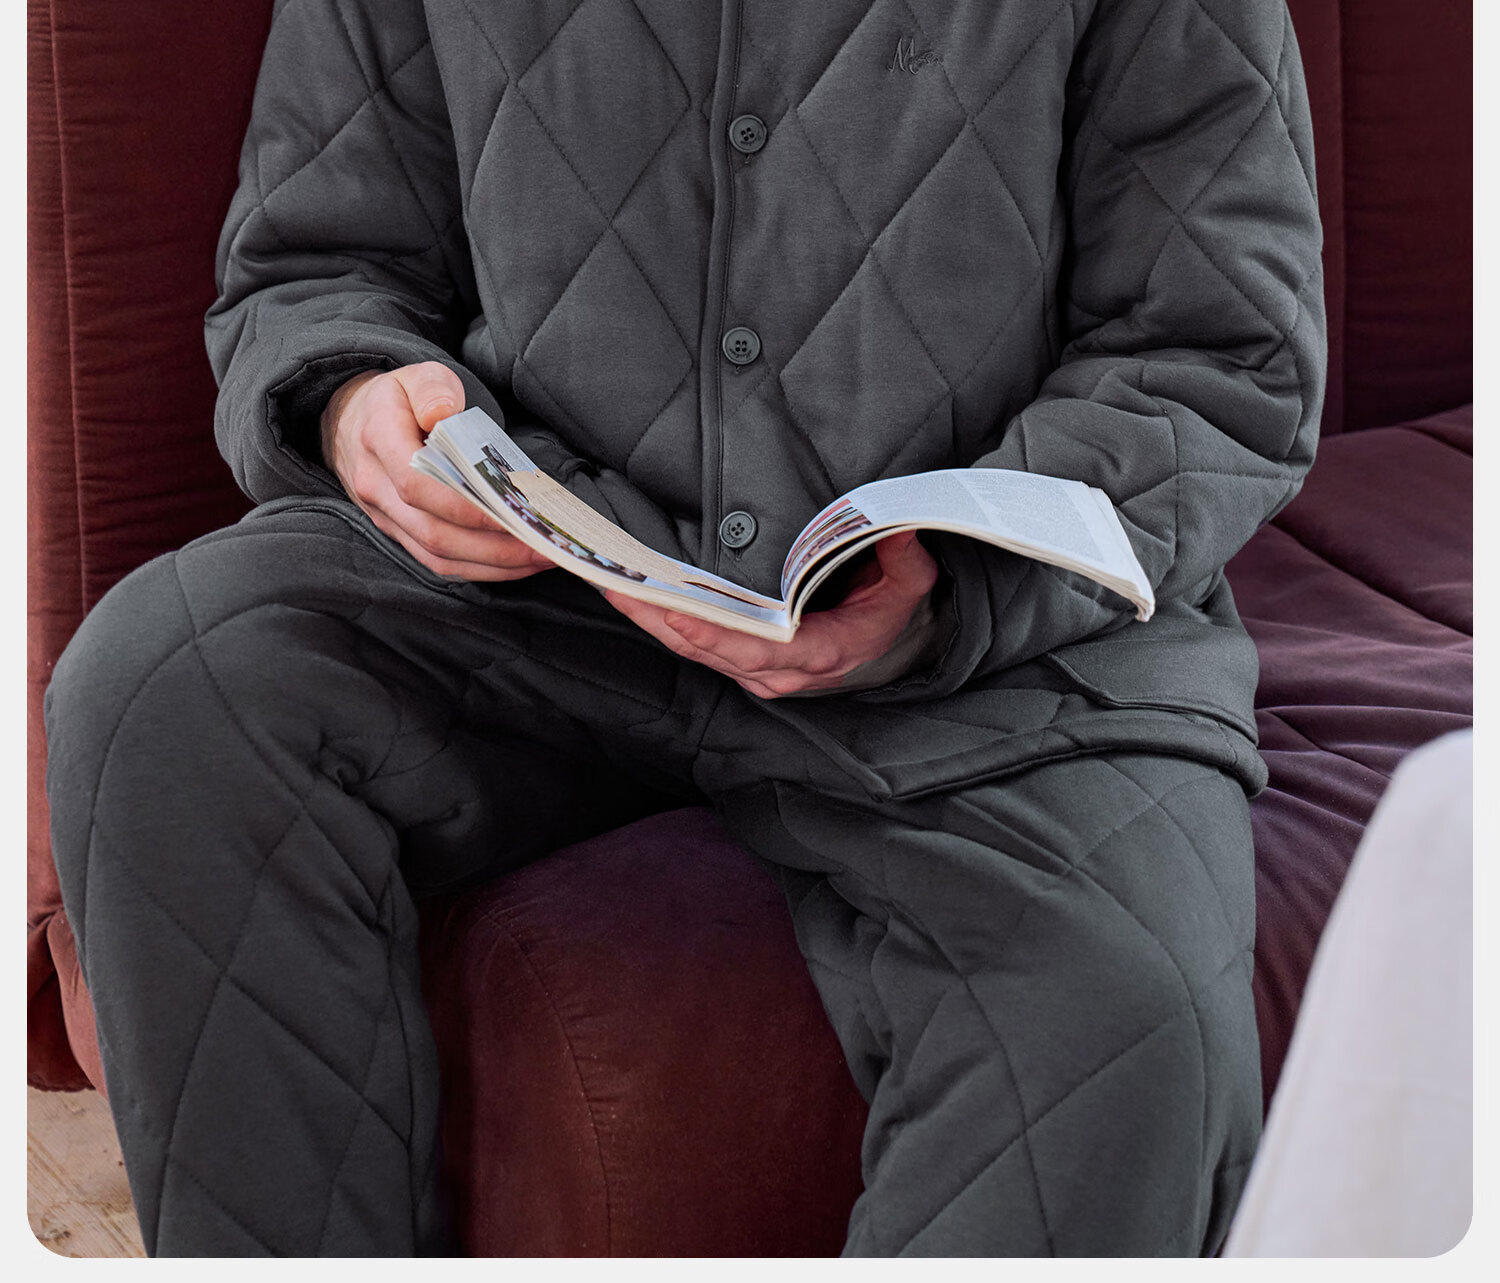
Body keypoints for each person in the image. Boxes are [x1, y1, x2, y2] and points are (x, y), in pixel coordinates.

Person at [44, 0, 1324, 1257]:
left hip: (985, 642)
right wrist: (354, 407)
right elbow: (314, 268)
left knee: (1127, 1010)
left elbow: (1221, 355)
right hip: (537, 588)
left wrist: (954, 586)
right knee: (168, 688)